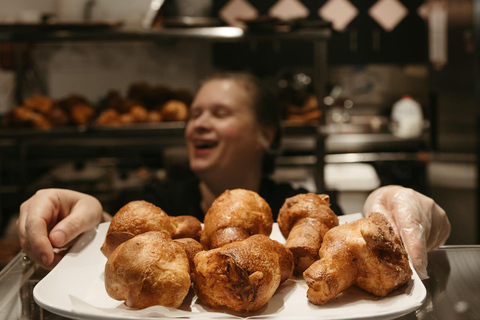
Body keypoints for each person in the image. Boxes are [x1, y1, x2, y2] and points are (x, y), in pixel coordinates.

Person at [16, 72, 450, 280]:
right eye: (195, 114)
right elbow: (115, 231)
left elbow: (353, 225)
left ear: (265, 134)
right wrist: (87, 212)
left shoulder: (296, 206)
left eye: (219, 113)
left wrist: (396, 198)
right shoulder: (163, 202)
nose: (197, 124)